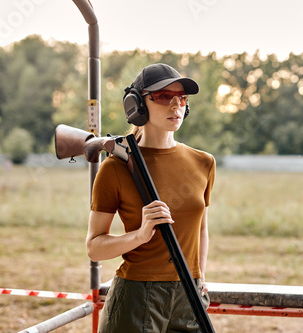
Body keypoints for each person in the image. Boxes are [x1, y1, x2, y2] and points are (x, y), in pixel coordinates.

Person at [86, 63, 215, 332]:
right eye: (163, 96)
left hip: (189, 294)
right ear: (136, 105)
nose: (176, 105)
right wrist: (140, 236)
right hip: (136, 295)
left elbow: (201, 227)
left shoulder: (204, 162)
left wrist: (199, 276)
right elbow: (94, 246)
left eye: (181, 98)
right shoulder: (116, 167)